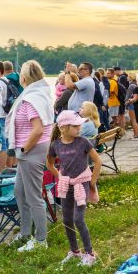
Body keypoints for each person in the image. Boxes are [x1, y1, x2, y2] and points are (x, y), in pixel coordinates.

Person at [6, 60, 54, 251]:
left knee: (33, 197)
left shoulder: (31, 99)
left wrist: (24, 150)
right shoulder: (39, 95)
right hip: (31, 151)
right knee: (19, 191)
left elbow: (38, 129)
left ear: (24, 78)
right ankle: (25, 232)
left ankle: (41, 240)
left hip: (31, 151)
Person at [46, 110, 102, 265]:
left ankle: (90, 253)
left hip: (81, 183)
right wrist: (60, 177)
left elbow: (98, 161)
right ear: (64, 128)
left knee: (78, 218)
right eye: (76, 126)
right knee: (67, 219)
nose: (79, 128)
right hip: (66, 185)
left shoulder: (83, 141)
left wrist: (91, 182)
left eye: (80, 125)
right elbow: (49, 164)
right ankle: (75, 251)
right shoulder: (55, 145)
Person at [125, 72, 138, 140]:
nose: (127, 77)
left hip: (131, 104)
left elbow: (128, 96)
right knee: (135, 120)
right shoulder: (136, 84)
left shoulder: (131, 86)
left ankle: (136, 135)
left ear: (131, 77)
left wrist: (125, 102)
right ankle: (136, 134)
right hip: (136, 104)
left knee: (133, 120)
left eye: (128, 76)